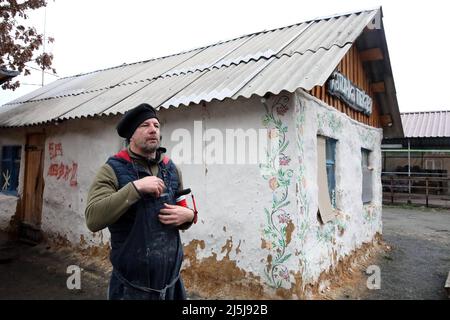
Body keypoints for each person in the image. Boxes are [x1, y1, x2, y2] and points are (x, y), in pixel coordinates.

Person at [85, 103, 197, 300]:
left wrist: (189, 216)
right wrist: (136, 188)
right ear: (131, 135)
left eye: (156, 125)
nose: (153, 129)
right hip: (131, 289)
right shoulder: (112, 170)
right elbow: (93, 219)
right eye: (145, 125)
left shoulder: (171, 169)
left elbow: (183, 211)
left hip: (172, 284)